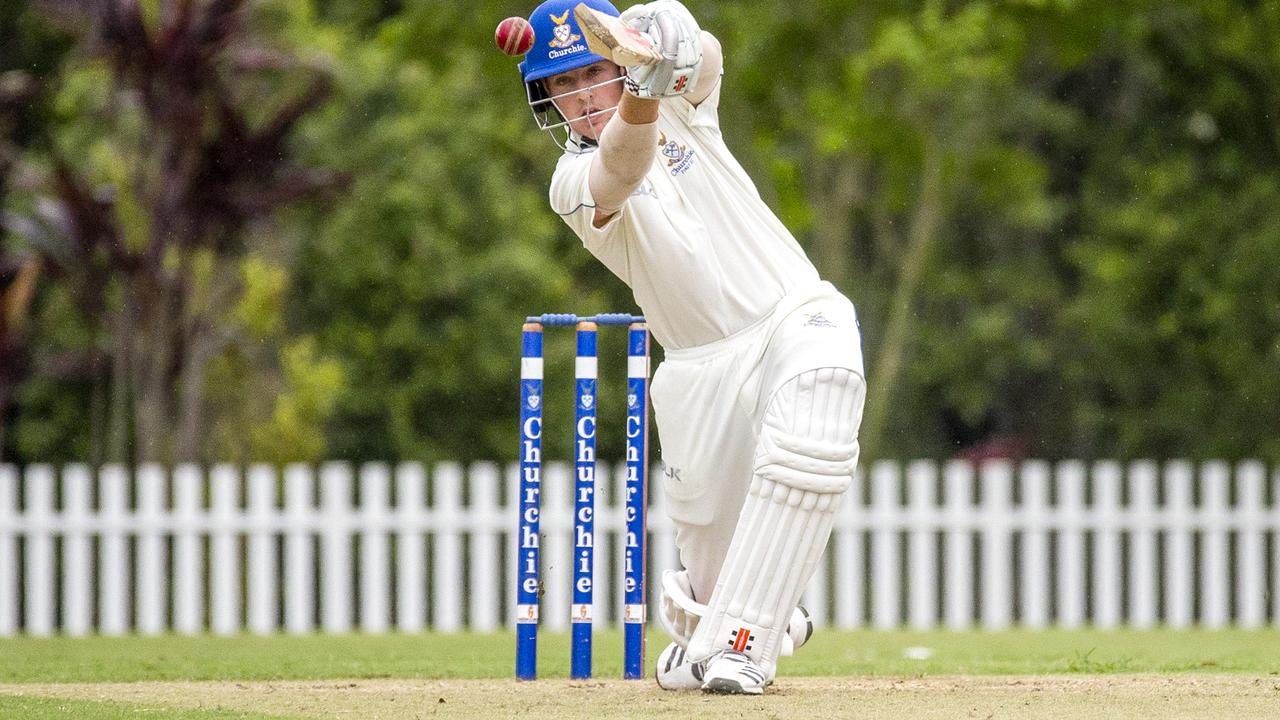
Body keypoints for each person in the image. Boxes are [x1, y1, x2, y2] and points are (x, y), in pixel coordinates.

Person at [516, 0, 867, 694]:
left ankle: (742, 645)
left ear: (617, 63)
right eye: (562, 84)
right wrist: (639, 91)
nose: (581, 95)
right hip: (695, 376)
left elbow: (706, 58)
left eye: (592, 71)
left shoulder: (677, 106)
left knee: (823, 390)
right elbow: (622, 166)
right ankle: (714, 625)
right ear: (546, 99)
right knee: (714, 566)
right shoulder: (571, 183)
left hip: (790, 314)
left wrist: (663, 29)